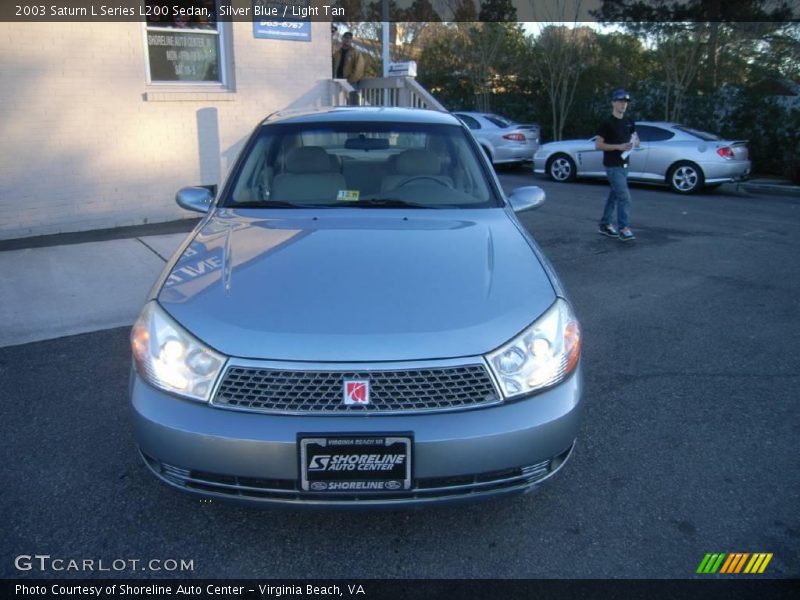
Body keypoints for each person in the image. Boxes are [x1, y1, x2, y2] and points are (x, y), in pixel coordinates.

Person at [596, 89, 639, 241]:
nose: (624, 105)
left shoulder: (629, 122)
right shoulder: (607, 123)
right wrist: (618, 147)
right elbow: (598, 145)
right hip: (612, 166)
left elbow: (636, 139)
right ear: (613, 103)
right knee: (625, 197)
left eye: (626, 102)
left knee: (614, 196)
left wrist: (633, 143)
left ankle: (605, 224)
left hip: (624, 165)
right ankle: (624, 228)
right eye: (621, 101)